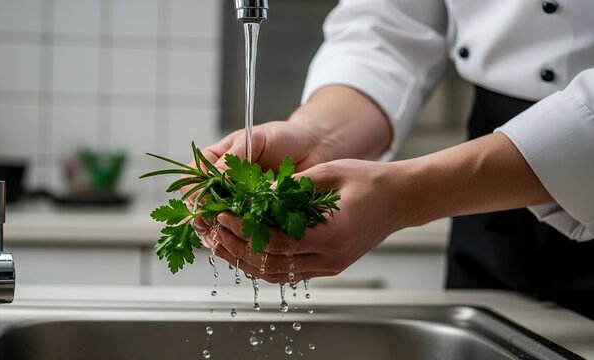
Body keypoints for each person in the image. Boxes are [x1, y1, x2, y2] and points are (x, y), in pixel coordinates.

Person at [198, 1, 594, 319]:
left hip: (479, 178)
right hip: (493, 216)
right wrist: (318, 135)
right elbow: (388, 29)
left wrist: (412, 194)